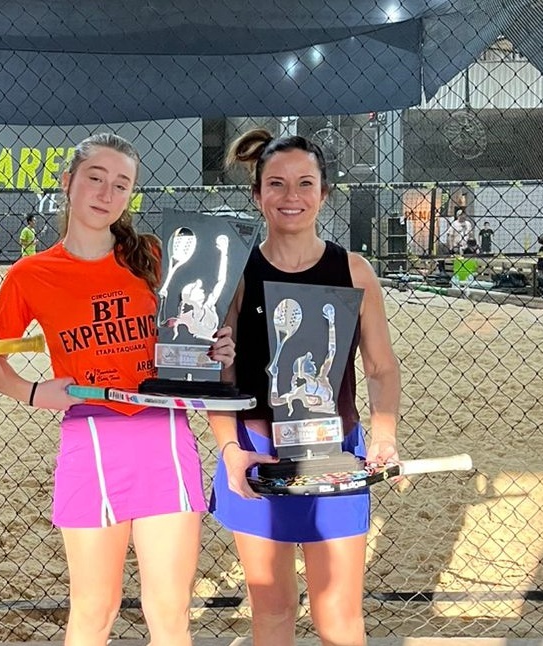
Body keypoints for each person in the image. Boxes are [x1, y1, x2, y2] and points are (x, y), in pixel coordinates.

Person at [0, 132, 235, 646]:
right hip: (91, 442)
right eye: (95, 178)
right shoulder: (32, 273)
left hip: (164, 438)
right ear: (67, 181)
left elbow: (195, 332)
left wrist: (218, 347)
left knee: (170, 611)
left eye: (121, 185)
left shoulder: (155, 256)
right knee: (95, 609)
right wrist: (35, 393)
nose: (106, 193)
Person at [210, 129, 401, 646]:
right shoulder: (239, 273)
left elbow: (381, 367)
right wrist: (229, 451)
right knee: (272, 609)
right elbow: (220, 378)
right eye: (276, 183)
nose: (290, 196)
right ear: (257, 194)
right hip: (258, 452)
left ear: (323, 192)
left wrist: (384, 435)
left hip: (333, 450)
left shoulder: (353, 271)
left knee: (337, 615)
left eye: (304, 183)